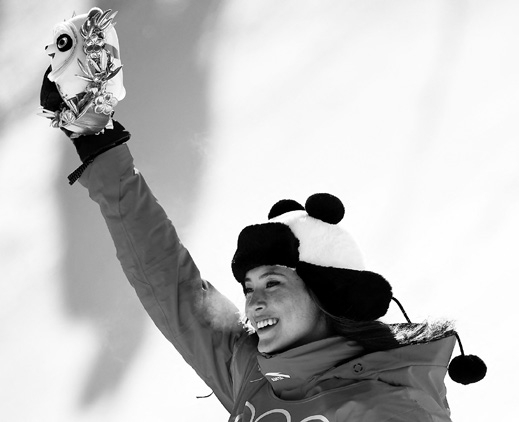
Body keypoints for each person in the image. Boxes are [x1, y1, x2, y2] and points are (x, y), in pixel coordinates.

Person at [39, 8, 486, 422]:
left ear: (325, 293)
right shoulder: (251, 371)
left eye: (272, 283)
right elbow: (167, 280)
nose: (252, 303)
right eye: (249, 287)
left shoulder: (390, 408)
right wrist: (97, 140)